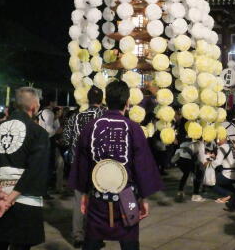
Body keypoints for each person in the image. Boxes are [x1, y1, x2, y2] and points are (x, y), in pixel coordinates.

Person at [69, 81, 163, 250]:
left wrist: (83, 193)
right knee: (130, 241)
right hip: (128, 197)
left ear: (107, 100)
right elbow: (142, 166)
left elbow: (82, 164)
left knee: (92, 239)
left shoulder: (91, 127)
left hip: (97, 195)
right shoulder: (133, 128)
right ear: (127, 102)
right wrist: (144, 198)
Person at [0, 87, 49, 250]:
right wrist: (10, 199)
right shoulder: (38, 132)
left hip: (0, 199)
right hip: (24, 200)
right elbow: (35, 170)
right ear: (33, 106)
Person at [63, 86, 105, 248]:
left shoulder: (76, 116)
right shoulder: (103, 116)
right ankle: (95, 235)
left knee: (78, 200)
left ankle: (77, 235)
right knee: (97, 201)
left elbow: (66, 139)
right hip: (98, 166)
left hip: (78, 165)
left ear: (88, 99)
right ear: (101, 100)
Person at [172, 137, 207, 202]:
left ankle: (180, 191)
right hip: (188, 161)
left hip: (180, 161)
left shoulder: (185, 143)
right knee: (198, 175)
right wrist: (205, 164)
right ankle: (195, 195)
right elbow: (201, 157)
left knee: (186, 174)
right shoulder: (200, 144)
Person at [210, 137, 235, 203]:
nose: (217, 141)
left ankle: (228, 195)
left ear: (222, 138)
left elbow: (218, 162)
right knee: (224, 183)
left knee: (211, 182)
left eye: (217, 139)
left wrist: (209, 164)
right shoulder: (233, 146)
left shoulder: (222, 147)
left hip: (227, 174)